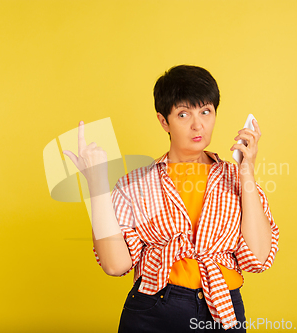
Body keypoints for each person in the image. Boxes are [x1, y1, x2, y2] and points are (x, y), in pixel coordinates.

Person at [63, 65, 279, 332]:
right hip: (154, 311)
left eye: (206, 111)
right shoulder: (136, 184)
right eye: (183, 114)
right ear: (163, 121)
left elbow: (258, 258)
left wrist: (246, 171)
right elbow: (115, 264)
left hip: (223, 309)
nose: (197, 124)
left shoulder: (235, 180)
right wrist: (96, 182)